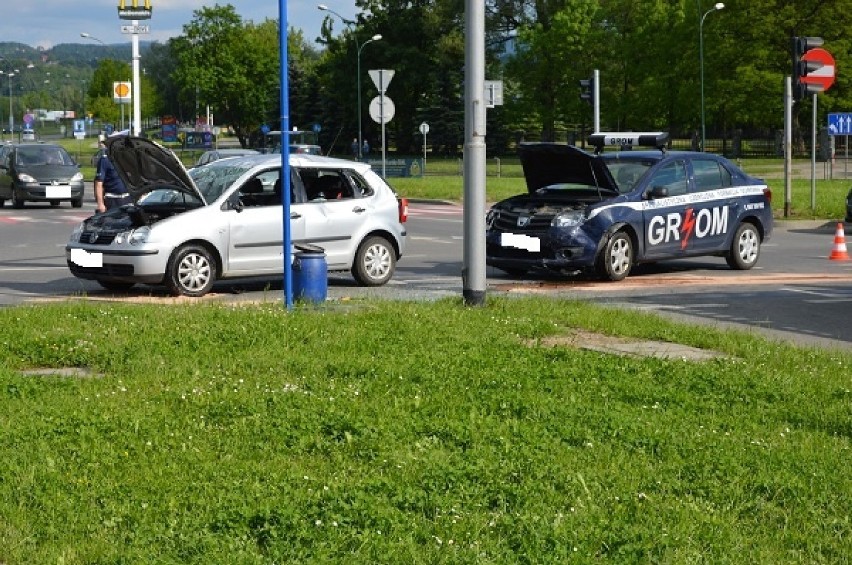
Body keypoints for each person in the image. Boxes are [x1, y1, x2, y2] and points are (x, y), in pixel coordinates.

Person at [94, 140, 131, 213]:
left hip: (128, 199)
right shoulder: (105, 160)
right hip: (112, 199)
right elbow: (99, 184)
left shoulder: (128, 160)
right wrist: (100, 204)